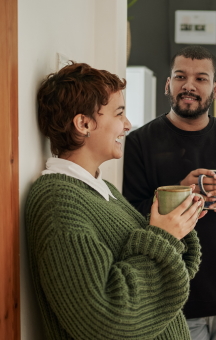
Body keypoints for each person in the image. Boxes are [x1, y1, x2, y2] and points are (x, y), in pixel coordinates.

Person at [26, 62, 205, 340]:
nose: (128, 124)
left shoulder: (100, 189)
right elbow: (107, 319)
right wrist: (164, 236)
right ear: (84, 123)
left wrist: (178, 227)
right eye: (119, 113)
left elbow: (164, 270)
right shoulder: (58, 203)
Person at [123, 45, 216, 340]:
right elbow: (129, 218)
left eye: (201, 79)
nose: (189, 85)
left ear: (215, 89)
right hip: (173, 297)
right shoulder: (139, 143)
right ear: (169, 84)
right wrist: (179, 194)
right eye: (180, 76)